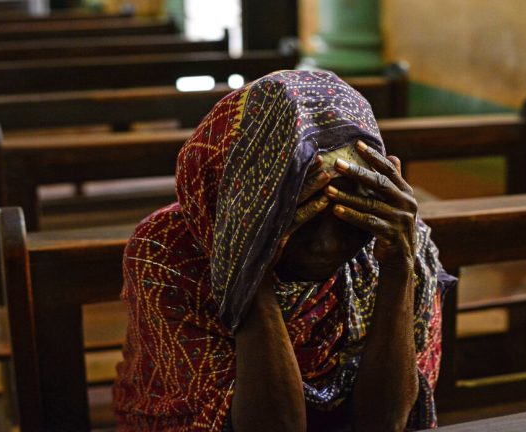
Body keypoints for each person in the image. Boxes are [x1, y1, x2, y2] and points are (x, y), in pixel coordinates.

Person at [113, 70, 455, 431]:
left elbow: (387, 423)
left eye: (346, 218)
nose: (327, 245)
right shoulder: (167, 249)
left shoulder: (391, 236)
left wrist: (398, 268)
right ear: (245, 202)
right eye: (299, 216)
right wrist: (250, 268)